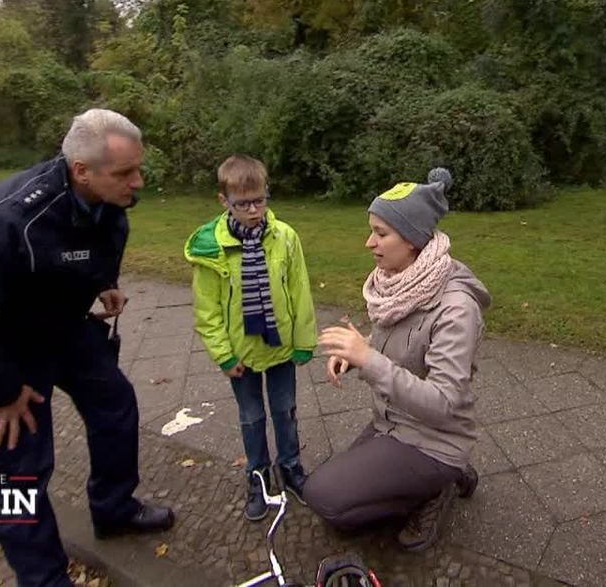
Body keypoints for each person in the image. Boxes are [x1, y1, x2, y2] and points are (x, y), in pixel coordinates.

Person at [0, 109, 175, 587]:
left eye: (138, 169)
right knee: (19, 474)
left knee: (115, 405)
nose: (138, 182)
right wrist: (2, 391)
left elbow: (97, 241)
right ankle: (44, 579)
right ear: (81, 170)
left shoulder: (106, 200)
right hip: (1, 351)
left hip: (63, 329)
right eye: (126, 173)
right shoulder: (2, 222)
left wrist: (103, 281)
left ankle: (114, 509)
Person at [304, 168, 488, 553]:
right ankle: (434, 479)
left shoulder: (456, 309)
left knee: (327, 500)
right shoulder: (402, 283)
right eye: (372, 229)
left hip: (435, 437)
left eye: (381, 233)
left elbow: (442, 404)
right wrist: (357, 355)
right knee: (330, 491)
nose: (369, 242)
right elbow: (405, 345)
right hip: (394, 423)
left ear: (415, 241)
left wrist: (368, 359)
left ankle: (438, 487)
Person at [185, 155, 317, 521]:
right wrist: (223, 355)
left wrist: (305, 340)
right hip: (240, 353)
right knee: (252, 417)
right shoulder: (212, 248)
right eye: (243, 203)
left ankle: (290, 466)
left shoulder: (285, 237)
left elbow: (300, 290)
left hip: (282, 347)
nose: (254, 210)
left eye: (260, 200)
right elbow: (206, 310)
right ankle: (257, 475)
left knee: (285, 411)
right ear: (223, 201)